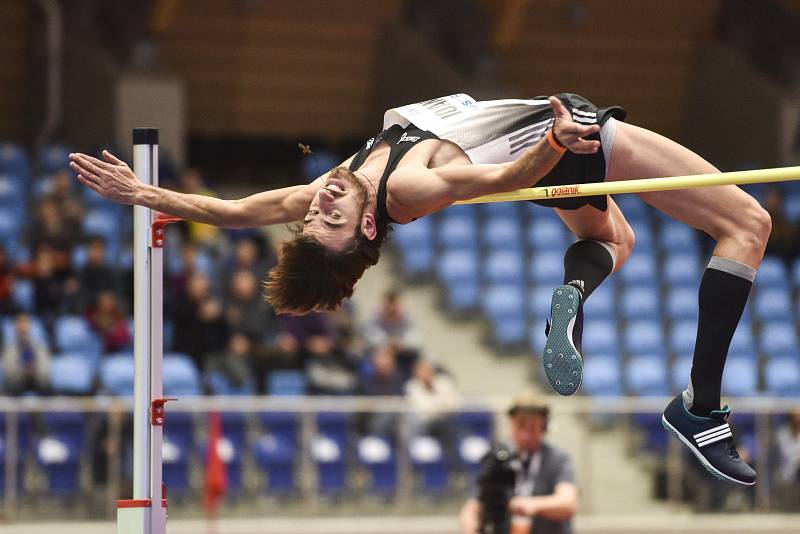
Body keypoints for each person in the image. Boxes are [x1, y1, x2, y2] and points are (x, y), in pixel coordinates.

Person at [69, 92, 770, 485]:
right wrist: (562, 140)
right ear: (370, 225)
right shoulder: (405, 187)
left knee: (616, 241)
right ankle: (700, 406)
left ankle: (578, 298)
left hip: (538, 145)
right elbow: (497, 181)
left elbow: (234, 211)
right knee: (748, 221)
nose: (321, 204)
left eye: (317, 213)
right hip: (556, 141)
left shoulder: (335, 183)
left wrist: (144, 192)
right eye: (331, 216)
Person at [459, 393, 578, 534]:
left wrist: (533, 504)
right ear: (511, 423)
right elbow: (471, 508)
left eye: (533, 427)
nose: (525, 435)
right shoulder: (497, 458)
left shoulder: (559, 459)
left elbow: (568, 503)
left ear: (544, 427)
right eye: (521, 425)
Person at [2, 313, 52, 396]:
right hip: (16, 386)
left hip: (37, 383)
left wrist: (34, 370)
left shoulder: (40, 347)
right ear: (15, 326)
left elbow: (45, 373)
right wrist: (24, 371)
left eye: (25, 323)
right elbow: (8, 374)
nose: (23, 327)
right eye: (20, 323)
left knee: (47, 387)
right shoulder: (9, 349)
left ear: (30, 326)